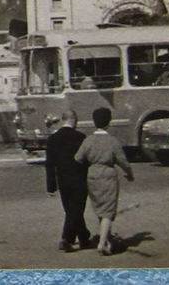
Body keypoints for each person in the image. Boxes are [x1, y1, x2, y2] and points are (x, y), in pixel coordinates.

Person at [74, 106, 133, 256]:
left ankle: (107, 240)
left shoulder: (88, 140)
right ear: (109, 122)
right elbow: (123, 161)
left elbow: (78, 158)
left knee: (100, 208)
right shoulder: (112, 141)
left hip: (92, 175)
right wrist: (129, 174)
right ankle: (102, 243)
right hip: (108, 175)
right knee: (108, 210)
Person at [45, 109, 94, 252]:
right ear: (73, 120)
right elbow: (86, 160)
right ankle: (67, 238)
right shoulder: (81, 137)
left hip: (62, 179)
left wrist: (51, 185)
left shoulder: (53, 139)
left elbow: (49, 164)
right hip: (79, 178)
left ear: (62, 120)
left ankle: (84, 237)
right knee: (76, 210)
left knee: (71, 210)